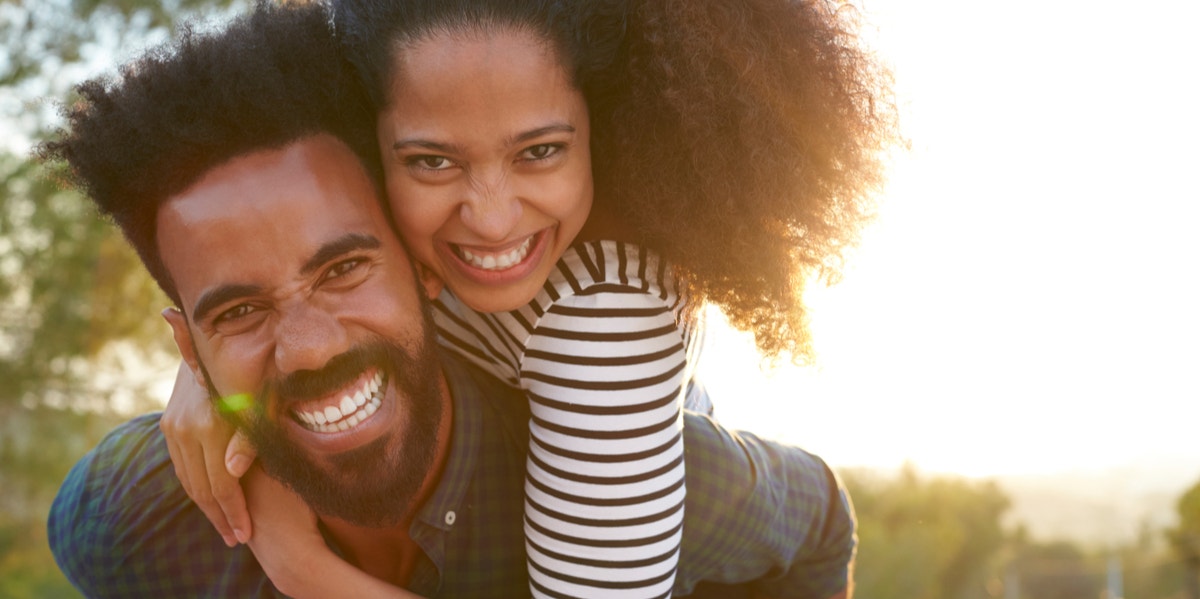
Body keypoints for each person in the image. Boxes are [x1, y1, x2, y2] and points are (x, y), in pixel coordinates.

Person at [40, 3, 856, 598]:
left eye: (540, 150)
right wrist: (222, 382)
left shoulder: (609, 352)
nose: (491, 216)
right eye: (432, 160)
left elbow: (819, 524)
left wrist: (307, 573)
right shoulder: (130, 511)